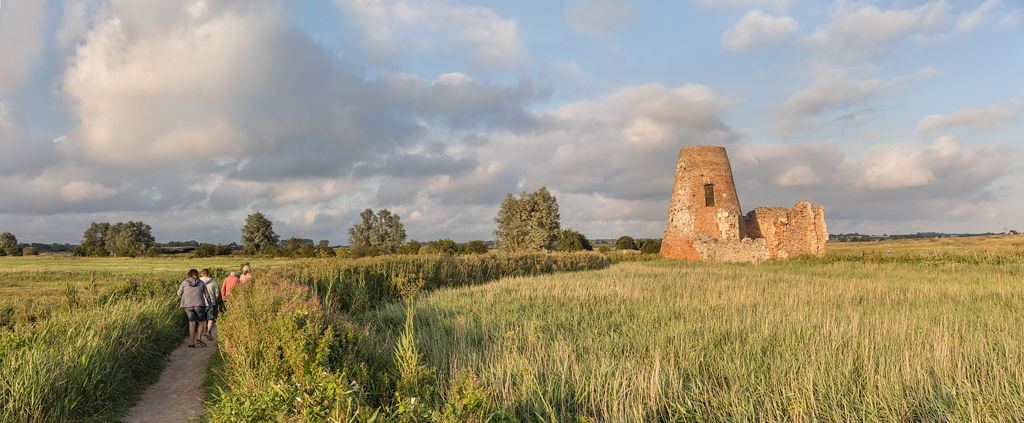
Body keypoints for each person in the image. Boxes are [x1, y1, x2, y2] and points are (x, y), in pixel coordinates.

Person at [176, 269, 209, 348]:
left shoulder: (184, 283)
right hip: (200, 305)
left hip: (188, 305)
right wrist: (210, 305)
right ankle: (198, 338)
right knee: (201, 322)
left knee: (192, 323)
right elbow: (207, 295)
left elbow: (178, 293)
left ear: (188, 275)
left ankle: (192, 343)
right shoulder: (201, 283)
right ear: (197, 274)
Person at [199, 268, 219, 341]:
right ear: (208, 274)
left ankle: (204, 333)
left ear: (202, 274)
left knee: (203, 319)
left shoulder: (199, 282)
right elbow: (217, 294)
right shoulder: (213, 283)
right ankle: (209, 332)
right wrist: (214, 299)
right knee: (210, 319)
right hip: (211, 303)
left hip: (201, 303)